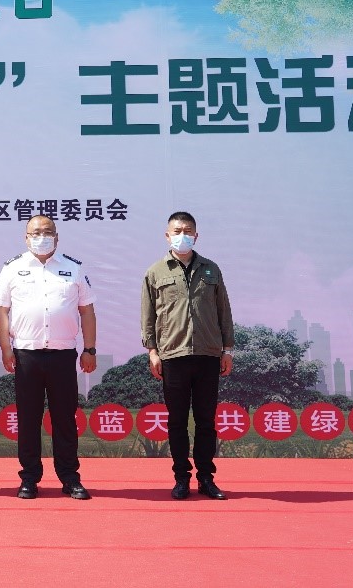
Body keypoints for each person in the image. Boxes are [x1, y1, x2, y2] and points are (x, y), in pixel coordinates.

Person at [0, 215, 96, 500]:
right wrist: (6, 348)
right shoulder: (12, 268)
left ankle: (70, 478)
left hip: (63, 355)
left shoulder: (73, 268)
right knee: (28, 420)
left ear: (57, 237)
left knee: (65, 419)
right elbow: (0, 309)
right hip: (26, 355)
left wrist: (90, 348)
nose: (41, 237)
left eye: (47, 232)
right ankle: (29, 478)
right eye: (35, 233)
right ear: (26, 238)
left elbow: (87, 310)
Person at [141, 211, 235, 501]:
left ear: (196, 235)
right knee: (177, 421)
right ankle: (181, 478)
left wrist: (227, 349)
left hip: (208, 354)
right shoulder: (155, 272)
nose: (182, 235)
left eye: (188, 231)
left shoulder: (211, 270)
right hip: (173, 354)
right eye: (177, 231)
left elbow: (223, 311)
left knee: (206, 421)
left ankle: (206, 478)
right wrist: (153, 351)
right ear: (167, 235)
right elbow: (148, 316)